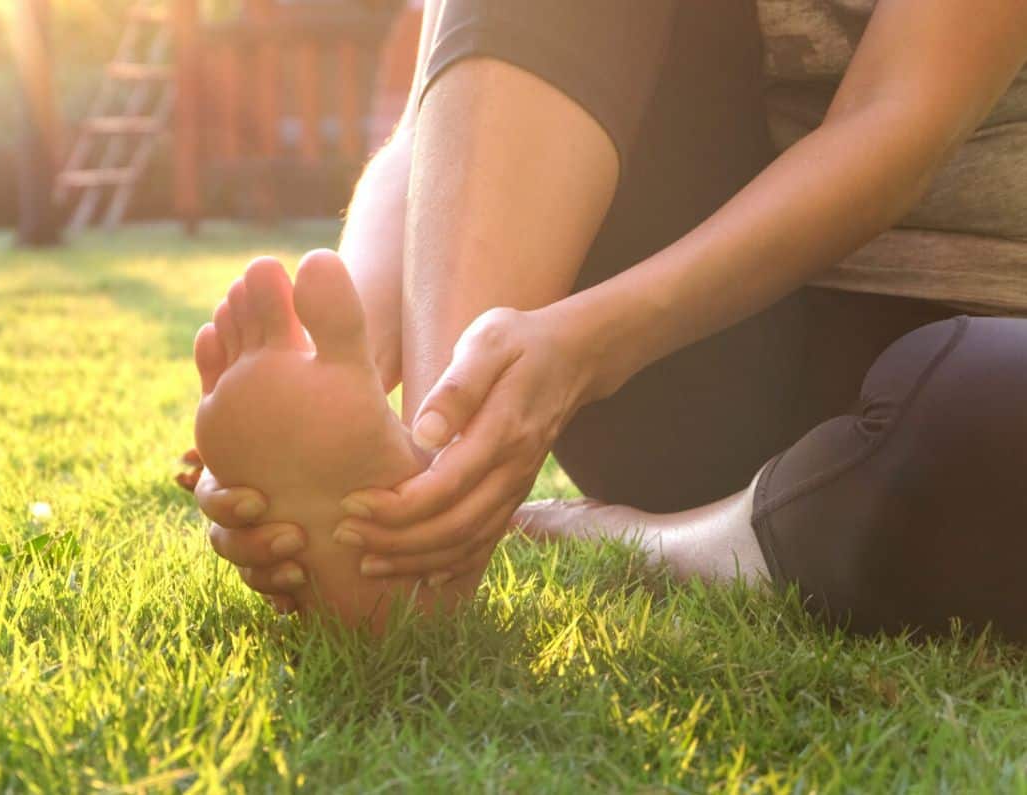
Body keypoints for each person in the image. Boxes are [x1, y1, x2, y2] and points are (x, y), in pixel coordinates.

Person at [191, 0, 1027, 639]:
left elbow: (895, 121)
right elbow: (444, 120)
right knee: (424, 480)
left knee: (986, 404)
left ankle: (651, 544)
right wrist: (349, 363)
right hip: (702, 366)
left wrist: (593, 343)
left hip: (951, 356)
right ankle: (433, 507)